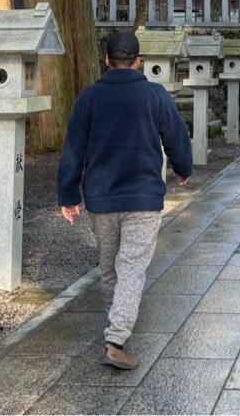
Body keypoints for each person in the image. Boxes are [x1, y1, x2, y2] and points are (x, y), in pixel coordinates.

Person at [57, 31, 192, 370]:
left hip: (102, 197)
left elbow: (73, 149)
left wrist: (68, 195)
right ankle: (116, 338)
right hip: (144, 196)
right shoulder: (154, 94)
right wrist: (183, 168)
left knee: (109, 267)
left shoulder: (89, 98)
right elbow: (176, 135)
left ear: (106, 61)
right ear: (138, 61)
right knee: (131, 267)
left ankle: (117, 327)